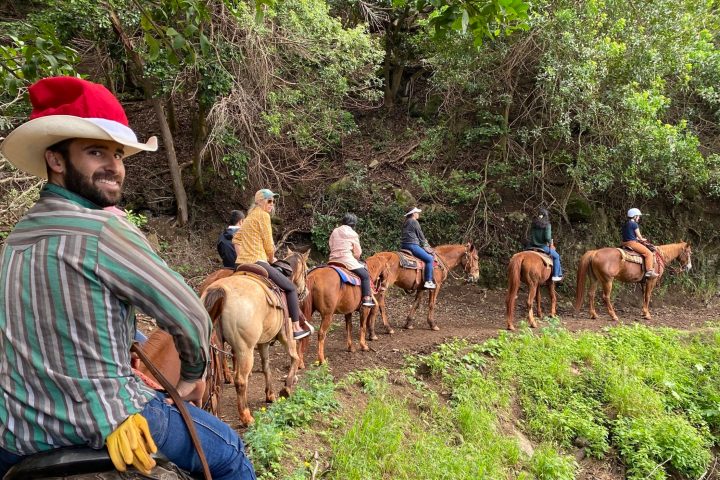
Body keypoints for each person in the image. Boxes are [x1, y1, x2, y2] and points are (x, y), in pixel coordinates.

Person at [0, 76, 255, 480]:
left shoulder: (16, 239)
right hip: (103, 419)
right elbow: (190, 315)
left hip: (16, 432)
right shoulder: (102, 230)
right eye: (97, 152)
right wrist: (191, 377)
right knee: (229, 454)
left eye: (118, 155)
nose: (115, 167)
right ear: (56, 160)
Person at [232, 188, 311, 340]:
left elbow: (236, 239)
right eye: (269, 201)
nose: (272, 204)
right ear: (260, 201)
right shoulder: (263, 216)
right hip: (258, 261)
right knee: (290, 288)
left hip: (241, 264)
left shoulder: (248, 218)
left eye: (273, 201)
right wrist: (272, 258)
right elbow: (269, 244)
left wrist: (242, 256)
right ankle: (295, 327)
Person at [329, 213, 374, 307]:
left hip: (333, 260)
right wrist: (355, 258)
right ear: (353, 224)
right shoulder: (353, 234)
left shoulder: (335, 231)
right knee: (365, 275)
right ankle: (367, 298)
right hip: (346, 261)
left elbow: (331, 245)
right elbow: (358, 253)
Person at [400, 207, 436, 289]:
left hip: (404, 245)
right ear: (413, 214)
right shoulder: (414, 221)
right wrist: (426, 245)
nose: (418, 214)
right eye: (417, 212)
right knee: (430, 259)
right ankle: (428, 281)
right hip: (412, 245)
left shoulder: (405, 222)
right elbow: (420, 235)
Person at [528, 207, 563, 282]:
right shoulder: (547, 225)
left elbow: (531, 235)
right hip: (542, 247)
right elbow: (547, 237)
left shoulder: (533, 223)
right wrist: (550, 243)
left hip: (531, 246)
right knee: (557, 256)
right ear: (546, 215)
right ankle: (556, 276)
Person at [622, 208, 659, 278]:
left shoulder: (625, 224)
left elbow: (631, 236)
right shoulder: (634, 224)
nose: (639, 218)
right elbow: (639, 237)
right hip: (632, 243)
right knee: (649, 254)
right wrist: (643, 239)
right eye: (638, 216)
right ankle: (649, 271)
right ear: (634, 216)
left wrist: (638, 239)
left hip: (624, 243)